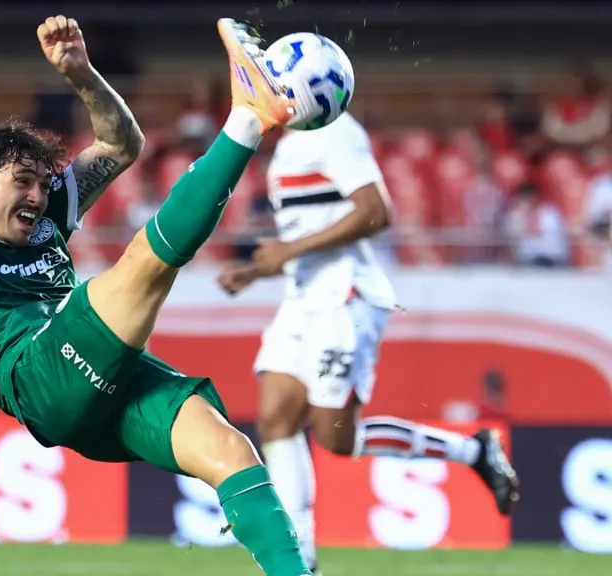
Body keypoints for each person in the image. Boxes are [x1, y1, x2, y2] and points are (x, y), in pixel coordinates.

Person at [0, 15, 311, 576]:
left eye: (44, 184)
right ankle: (248, 119)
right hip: (35, 373)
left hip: (100, 386)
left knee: (231, 451)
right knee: (142, 267)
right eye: (23, 181)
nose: (39, 196)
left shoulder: (48, 221)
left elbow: (121, 143)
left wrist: (83, 74)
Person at [217, 111, 520, 573]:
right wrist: (257, 269)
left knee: (337, 438)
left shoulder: (335, 131)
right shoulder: (287, 148)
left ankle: (473, 450)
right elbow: (312, 231)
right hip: (303, 298)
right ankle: (303, 563)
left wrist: (287, 252)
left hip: (345, 295)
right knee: (275, 421)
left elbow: (376, 212)